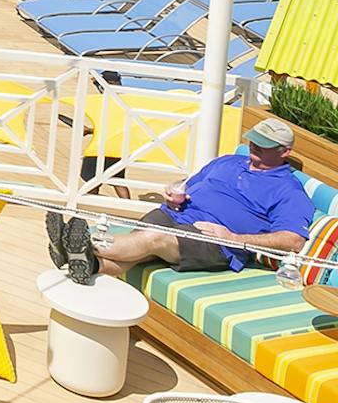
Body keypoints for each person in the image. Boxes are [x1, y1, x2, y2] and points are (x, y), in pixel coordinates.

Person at [68, 118, 313, 286]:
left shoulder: (288, 190)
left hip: (214, 240)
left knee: (153, 238)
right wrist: (175, 194)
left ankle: (79, 245)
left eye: (263, 146)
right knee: (138, 252)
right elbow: (188, 184)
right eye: (253, 141)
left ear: (285, 151)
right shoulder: (227, 162)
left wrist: (234, 239)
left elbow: (293, 240)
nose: (255, 147)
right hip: (176, 215)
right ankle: (88, 263)